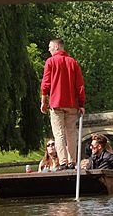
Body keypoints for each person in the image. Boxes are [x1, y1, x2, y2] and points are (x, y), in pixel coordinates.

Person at [40, 38, 86, 170]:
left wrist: (43, 101)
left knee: (59, 134)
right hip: (72, 104)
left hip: (56, 103)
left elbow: (45, 84)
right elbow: (80, 86)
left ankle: (63, 162)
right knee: (71, 133)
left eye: (50, 47)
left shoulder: (51, 62)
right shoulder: (73, 62)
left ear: (57, 47)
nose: (48, 49)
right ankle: (72, 162)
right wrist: (81, 104)